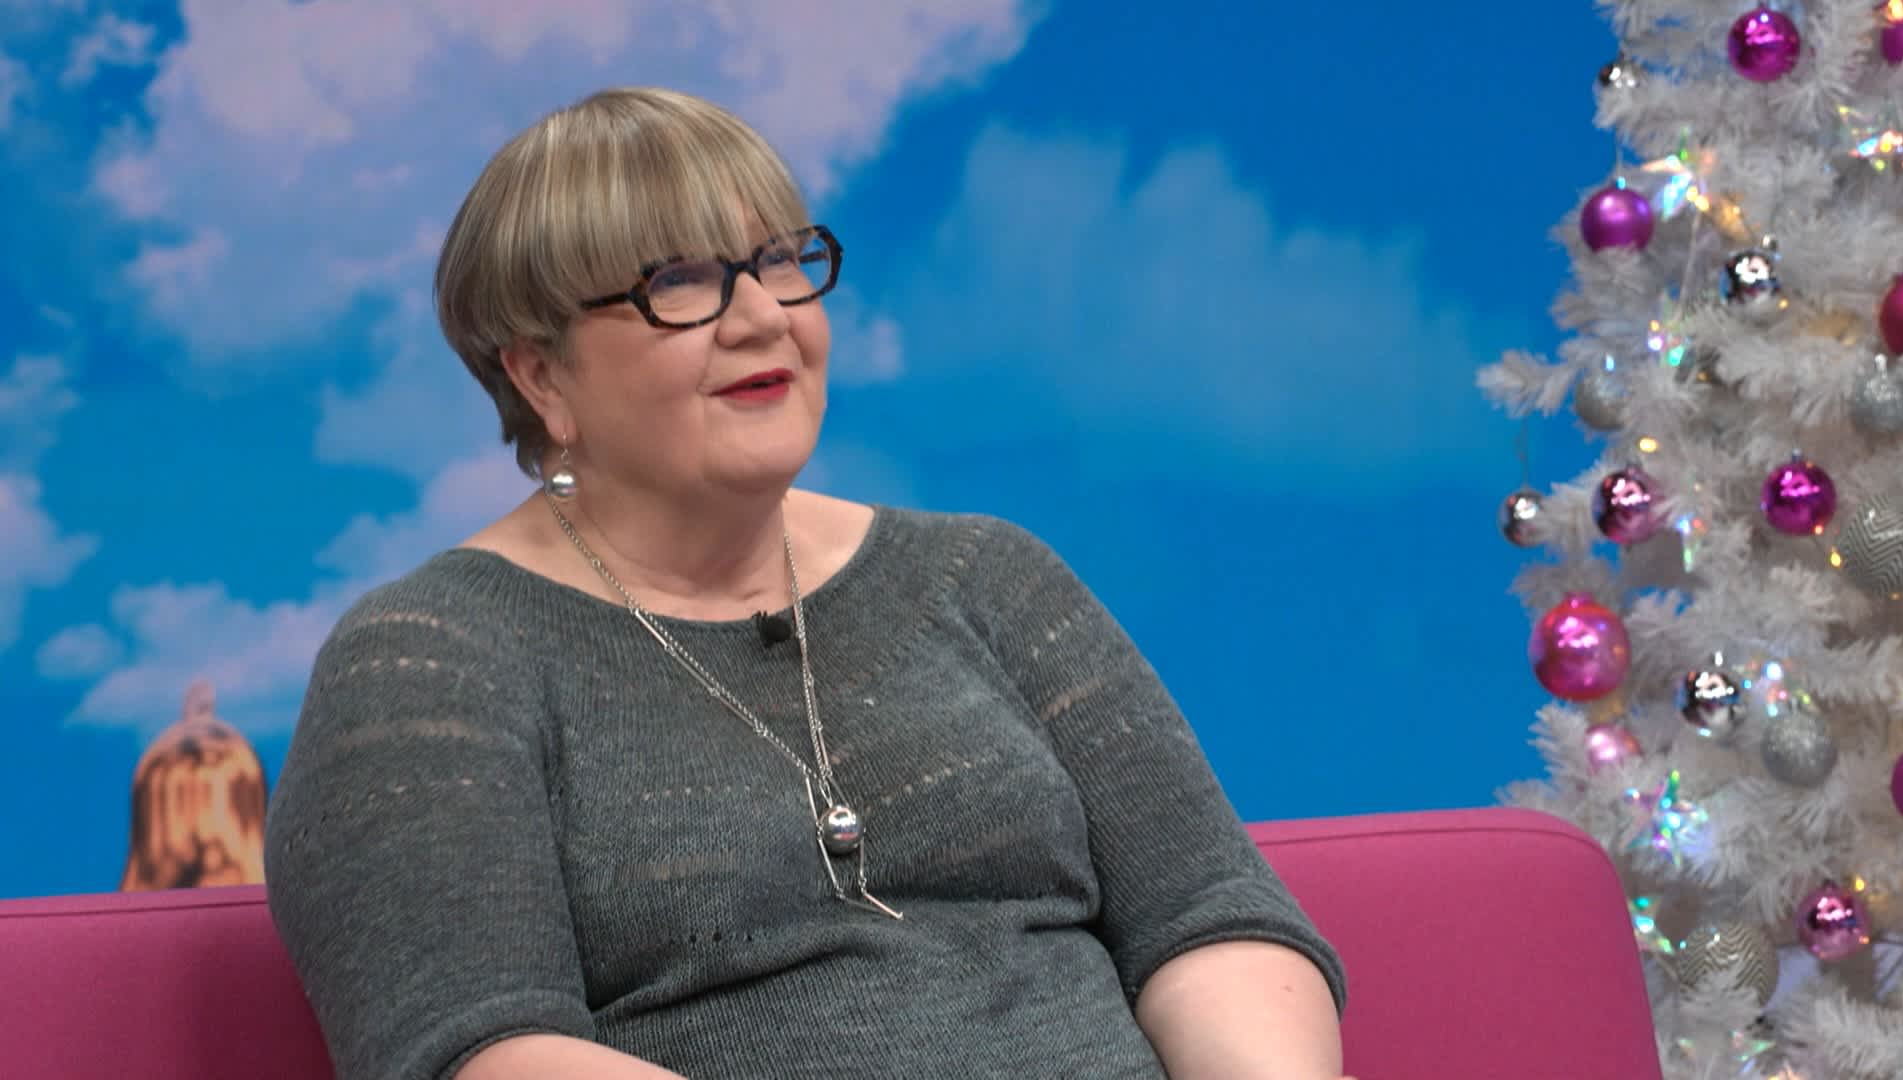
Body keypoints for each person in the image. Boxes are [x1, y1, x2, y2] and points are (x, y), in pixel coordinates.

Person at [263, 86, 1350, 1080]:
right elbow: (483, 1053)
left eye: (780, 261)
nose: (762, 318)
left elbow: (1211, 918)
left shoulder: (985, 575)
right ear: (542, 373)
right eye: (678, 282)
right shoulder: (427, 659)